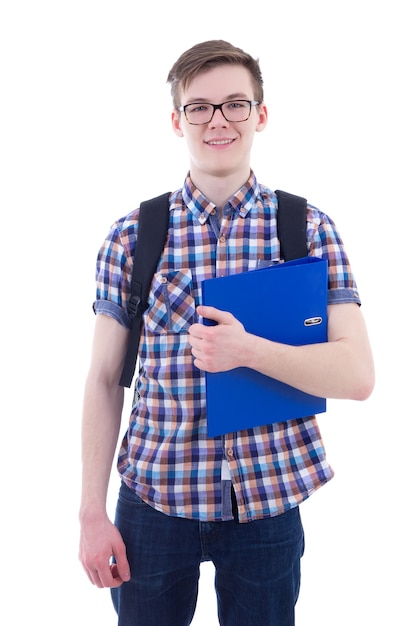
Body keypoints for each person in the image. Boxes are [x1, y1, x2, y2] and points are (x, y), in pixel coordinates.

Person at [78, 40, 374, 626]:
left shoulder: (306, 229)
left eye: (236, 104)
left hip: (267, 505)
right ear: (176, 120)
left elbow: (358, 375)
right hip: (155, 501)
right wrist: (91, 510)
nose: (218, 120)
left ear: (260, 115)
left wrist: (247, 352)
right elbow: (105, 379)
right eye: (200, 107)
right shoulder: (133, 237)